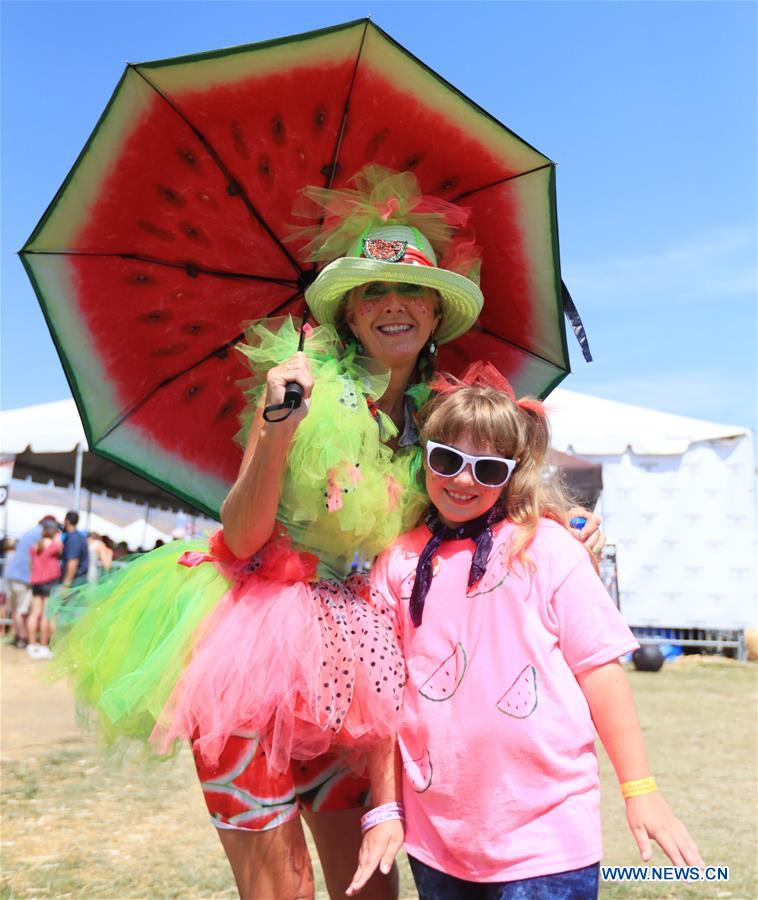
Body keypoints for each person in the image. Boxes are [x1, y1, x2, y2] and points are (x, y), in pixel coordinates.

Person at [49, 167, 602, 900]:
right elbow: (240, 538)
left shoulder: (446, 422)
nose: (394, 304)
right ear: (349, 310)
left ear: (438, 314)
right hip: (254, 648)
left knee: (368, 889)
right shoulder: (297, 383)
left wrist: (553, 522)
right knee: (281, 890)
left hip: (365, 657)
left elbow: (484, 502)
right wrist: (277, 428)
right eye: (373, 288)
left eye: (412, 291)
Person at [347, 368, 702, 899]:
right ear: (424, 458)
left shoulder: (550, 550)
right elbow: (383, 699)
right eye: (447, 460)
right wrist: (385, 807)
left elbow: (600, 672)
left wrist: (640, 789)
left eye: (486, 469)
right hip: (437, 840)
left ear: (511, 475)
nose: (463, 480)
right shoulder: (396, 561)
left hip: (547, 839)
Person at [3, 516, 58, 649]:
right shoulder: (47, 540)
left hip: (15, 577)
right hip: (27, 580)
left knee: (20, 611)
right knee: (35, 612)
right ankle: (25, 639)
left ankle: (23, 639)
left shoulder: (31, 535)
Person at [27, 521, 63, 660]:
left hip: (36, 582)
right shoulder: (54, 545)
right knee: (46, 615)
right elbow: (60, 549)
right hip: (49, 582)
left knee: (35, 613)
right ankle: (43, 645)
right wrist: (58, 538)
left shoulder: (35, 546)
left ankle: (31, 644)